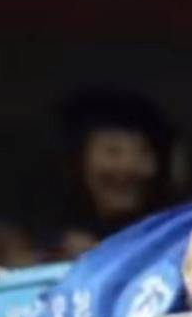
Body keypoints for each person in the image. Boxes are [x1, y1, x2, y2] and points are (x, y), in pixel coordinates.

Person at [47, 86, 180, 260]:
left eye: (143, 152)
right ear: (78, 162)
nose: (129, 165)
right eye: (112, 151)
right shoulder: (43, 235)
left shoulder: (177, 232)